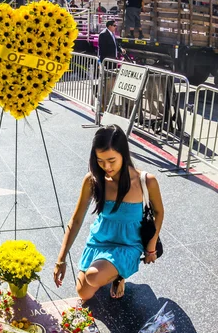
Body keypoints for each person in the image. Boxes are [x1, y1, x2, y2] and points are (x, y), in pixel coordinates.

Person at [54, 125, 164, 301]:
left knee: (93, 277)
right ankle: (109, 270)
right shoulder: (93, 180)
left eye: (111, 160)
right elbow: (76, 220)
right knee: (84, 293)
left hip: (128, 244)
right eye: (100, 161)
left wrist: (150, 246)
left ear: (124, 154)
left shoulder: (146, 181)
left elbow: (159, 212)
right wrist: (61, 258)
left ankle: (120, 275)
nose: (106, 166)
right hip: (100, 240)